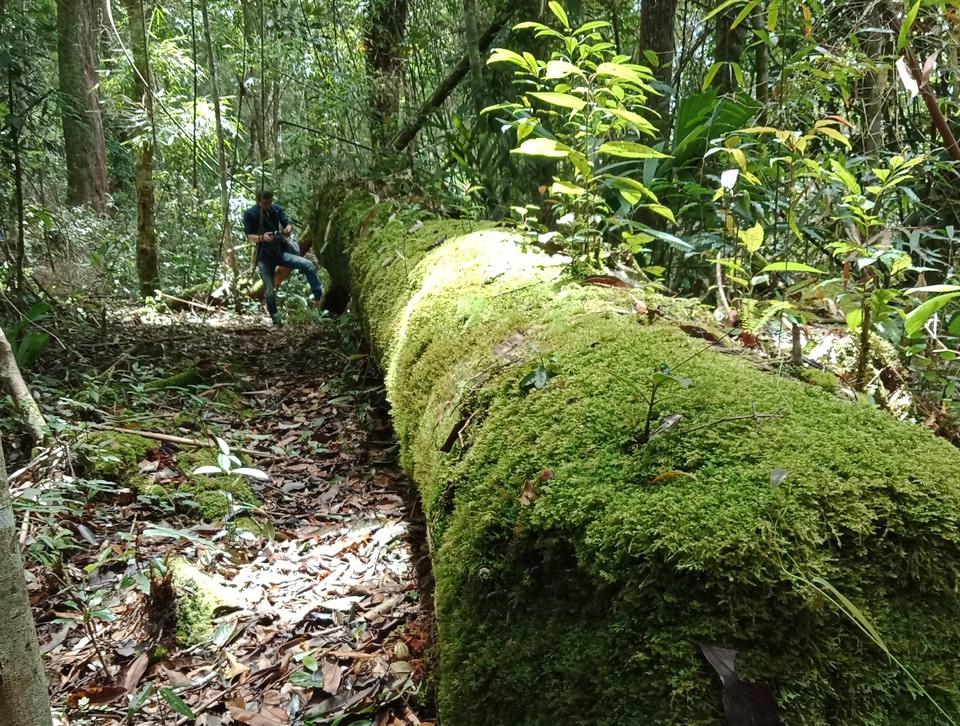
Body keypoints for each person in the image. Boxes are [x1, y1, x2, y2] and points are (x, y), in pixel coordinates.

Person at [243, 188, 323, 325]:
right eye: (264, 203)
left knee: (308, 265)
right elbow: (250, 237)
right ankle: (276, 319)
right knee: (269, 291)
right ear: (258, 201)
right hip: (264, 257)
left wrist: (288, 228)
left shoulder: (276, 209)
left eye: (270, 202)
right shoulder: (250, 214)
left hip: (280, 252)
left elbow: (286, 223)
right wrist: (262, 237)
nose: (268, 206)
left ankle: (319, 299)